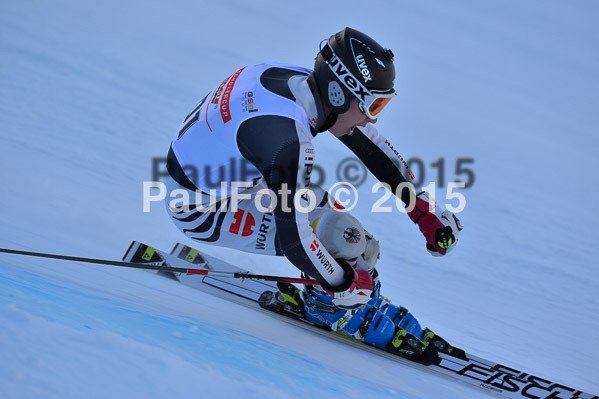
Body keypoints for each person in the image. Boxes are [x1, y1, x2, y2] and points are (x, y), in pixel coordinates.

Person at [163, 27, 463, 359]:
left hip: (226, 179)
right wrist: (342, 282)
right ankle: (334, 309)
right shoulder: (289, 141)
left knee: (360, 243)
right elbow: (296, 240)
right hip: (203, 212)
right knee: (343, 237)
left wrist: (420, 205)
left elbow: (368, 142)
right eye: (373, 105)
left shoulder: (299, 82)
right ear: (338, 93)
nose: (370, 118)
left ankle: (346, 297)